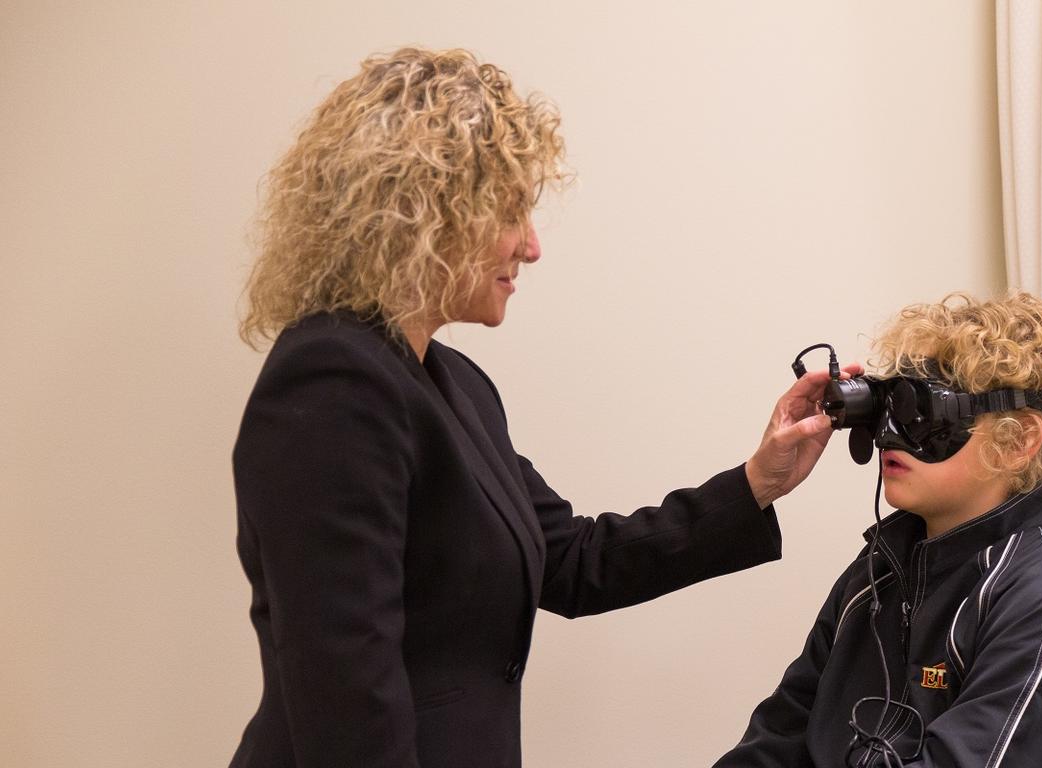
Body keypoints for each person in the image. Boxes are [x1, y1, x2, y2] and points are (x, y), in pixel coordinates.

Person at [228, 47, 856, 768]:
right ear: (423, 211)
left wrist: (760, 480)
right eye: (510, 210)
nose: (531, 246)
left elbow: (573, 561)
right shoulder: (332, 379)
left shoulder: (453, 383)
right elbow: (345, 694)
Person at [715, 293, 1042, 767]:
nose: (890, 432)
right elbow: (777, 740)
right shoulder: (878, 572)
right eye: (888, 404)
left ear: (1018, 440)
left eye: (924, 411)